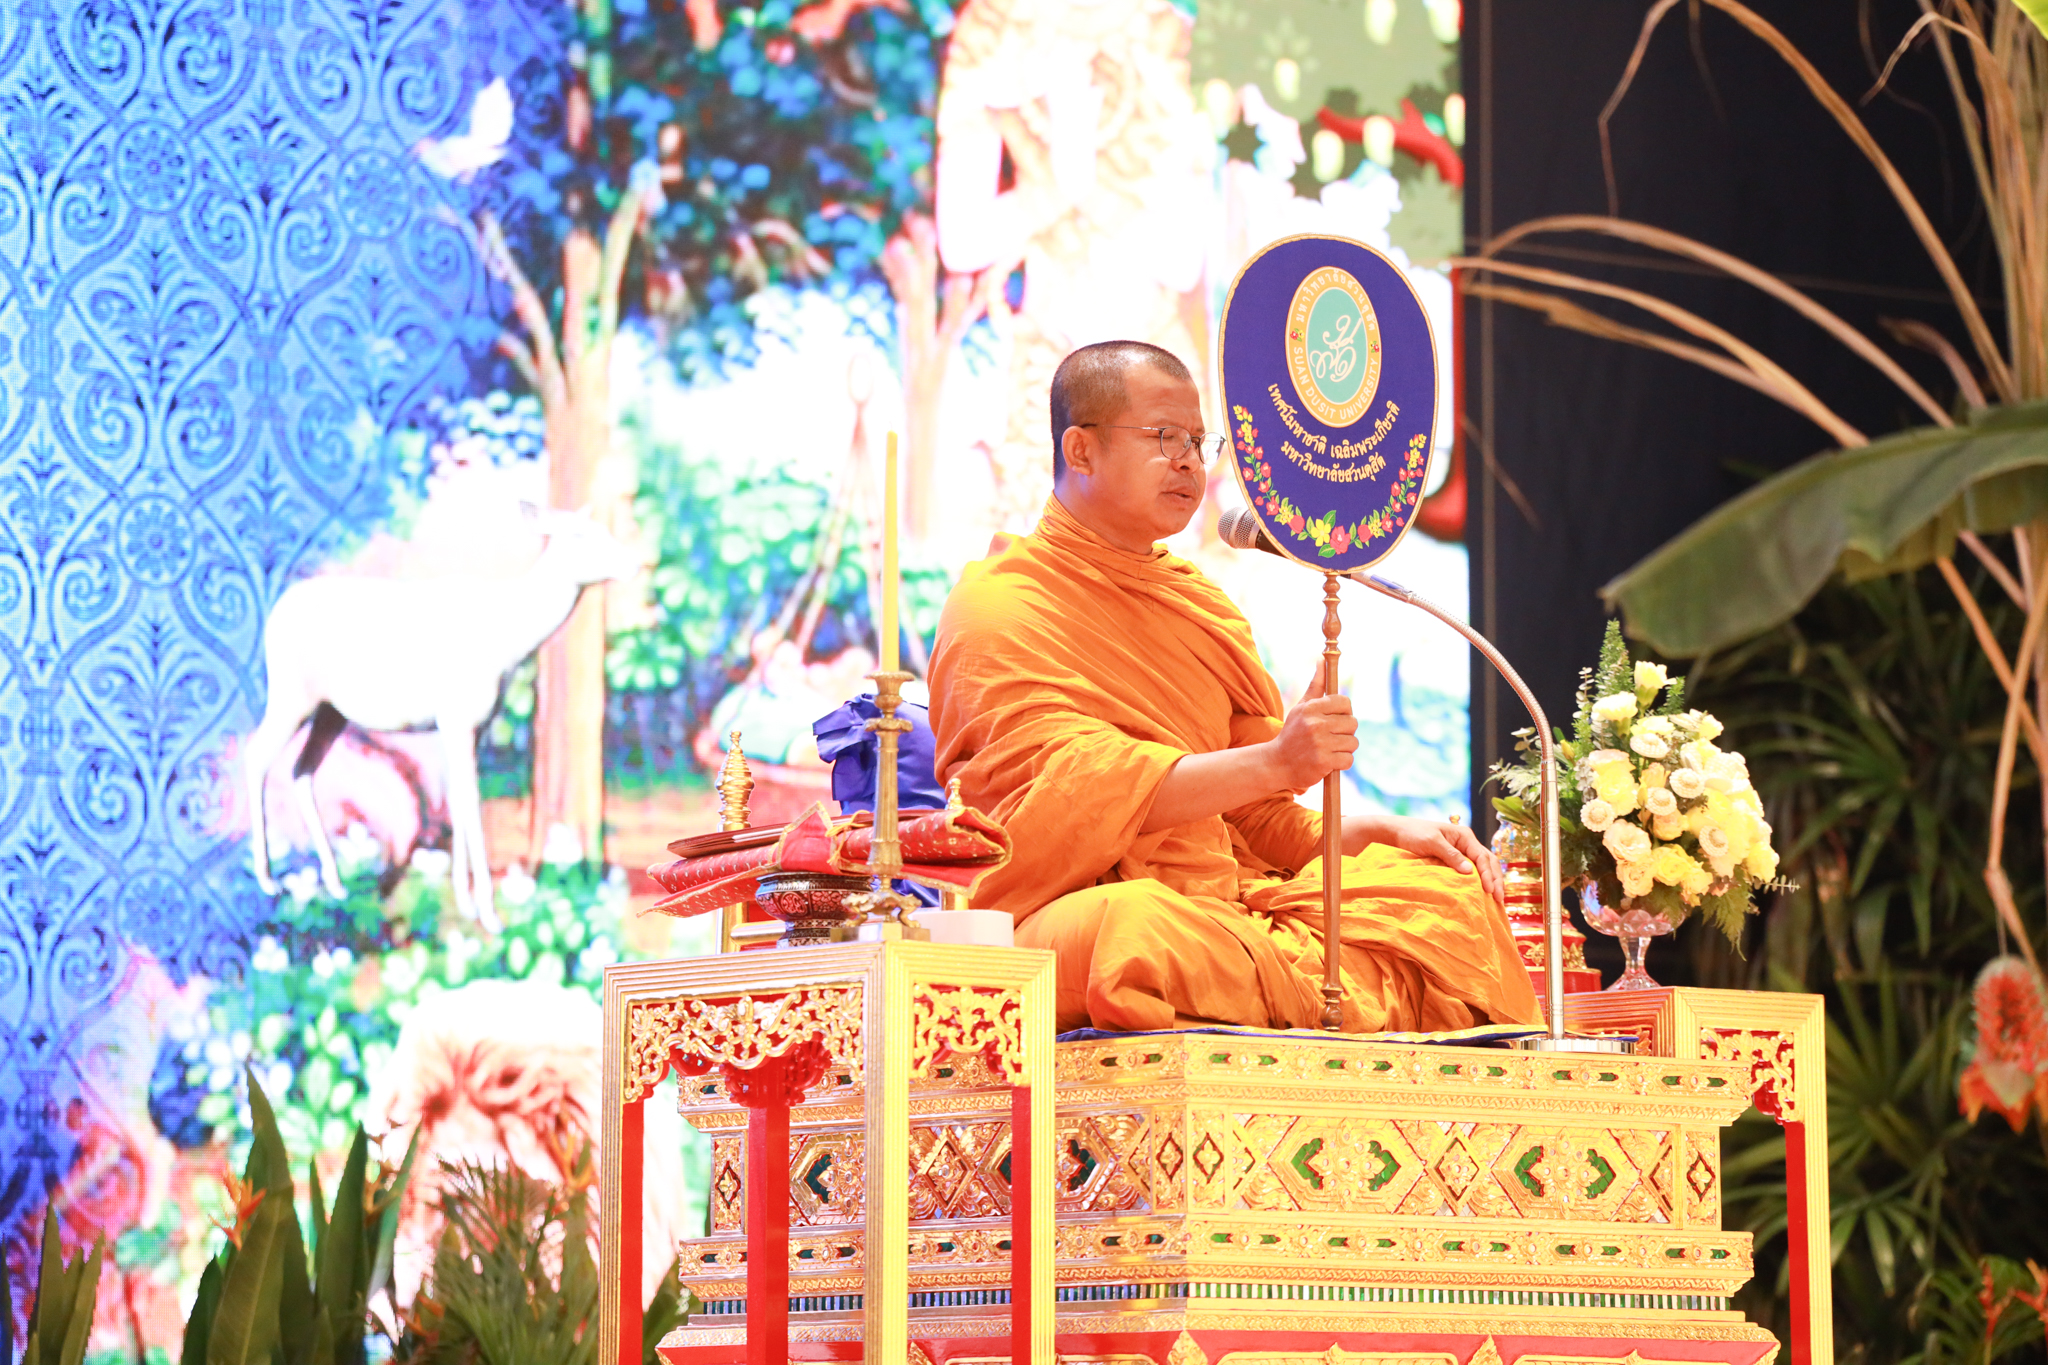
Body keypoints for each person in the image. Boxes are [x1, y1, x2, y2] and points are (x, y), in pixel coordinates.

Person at [926, 340, 1540, 1034]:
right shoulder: (1000, 607)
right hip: (1063, 910)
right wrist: (1276, 760)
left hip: (1228, 906)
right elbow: (1067, 798)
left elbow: (1261, 825)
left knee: (1441, 891)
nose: (1190, 461)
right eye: (1164, 437)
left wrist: (1389, 829)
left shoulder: (1199, 608)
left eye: (1198, 441)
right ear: (1081, 449)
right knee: (1136, 934)